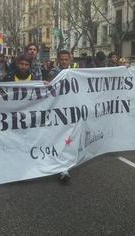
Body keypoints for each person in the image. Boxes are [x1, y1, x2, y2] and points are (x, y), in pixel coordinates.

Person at [46, 50, 72, 184]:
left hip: (69, 111)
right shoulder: (53, 73)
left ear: (70, 60)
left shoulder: (74, 73)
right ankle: (59, 166)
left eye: (66, 59)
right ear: (58, 60)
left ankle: (64, 168)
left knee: (67, 139)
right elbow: (48, 90)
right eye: (62, 59)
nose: (64, 62)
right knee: (57, 138)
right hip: (56, 111)